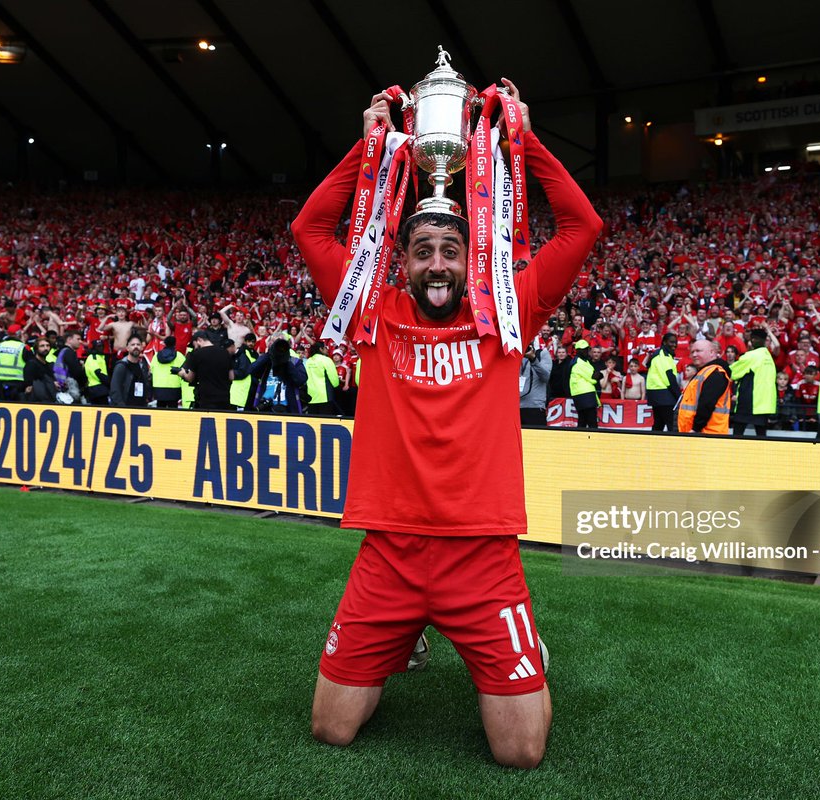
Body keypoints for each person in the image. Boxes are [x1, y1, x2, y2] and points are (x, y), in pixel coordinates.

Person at [290, 80, 601, 768]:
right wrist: (368, 143)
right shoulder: (375, 309)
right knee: (330, 730)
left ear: (470, 260)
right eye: (422, 250)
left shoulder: (508, 309)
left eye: (450, 250)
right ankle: (409, 636)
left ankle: (521, 647)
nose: (437, 263)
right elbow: (309, 229)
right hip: (390, 554)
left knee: (520, 754)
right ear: (400, 262)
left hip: (481, 557)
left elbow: (584, 227)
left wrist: (523, 137)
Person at [677, 340, 732, 434]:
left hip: (707, 434)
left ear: (712, 352)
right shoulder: (705, 372)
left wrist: (695, 428)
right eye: (692, 352)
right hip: (699, 433)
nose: (694, 355)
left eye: (698, 351)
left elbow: (707, 403)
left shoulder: (715, 373)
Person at [729, 328, 776, 437]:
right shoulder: (768, 356)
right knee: (761, 437)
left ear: (753, 340)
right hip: (765, 403)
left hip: (750, 401)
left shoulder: (750, 356)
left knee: (738, 434)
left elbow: (732, 373)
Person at [245, 337, 308, 414]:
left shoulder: (294, 362)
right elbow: (251, 370)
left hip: (288, 407)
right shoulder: (267, 361)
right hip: (265, 406)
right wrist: (269, 355)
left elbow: (301, 380)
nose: (279, 349)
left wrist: (286, 361)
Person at [180, 330, 233, 410]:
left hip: (206, 398)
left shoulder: (197, 354)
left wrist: (182, 373)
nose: (195, 347)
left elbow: (190, 378)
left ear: (199, 340)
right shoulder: (225, 353)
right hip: (224, 397)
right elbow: (231, 376)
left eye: (195, 344)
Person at [645, 333, 679, 432]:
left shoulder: (660, 354)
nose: (674, 345)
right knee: (672, 426)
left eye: (675, 342)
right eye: (671, 342)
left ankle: (653, 445)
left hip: (656, 393)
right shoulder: (663, 355)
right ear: (664, 342)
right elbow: (668, 377)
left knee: (658, 425)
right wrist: (678, 395)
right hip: (663, 394)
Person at [110, 334, 152, 407]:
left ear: (142, 347)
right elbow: (115, 390)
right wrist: (122, 407)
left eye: (138, 344)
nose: (136, 347)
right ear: (127, 348)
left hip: (141, 409)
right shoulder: (121, 366)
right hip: (126, 409)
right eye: (132, 345)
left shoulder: (143, 366)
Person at [519, 339, 552, 426]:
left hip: (535, 407)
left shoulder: (542, 354)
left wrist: (533, 359)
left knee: (536, 439)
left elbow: (546, 377)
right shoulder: (516, 356)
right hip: (515, 408)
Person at [569, 340, 601, 429]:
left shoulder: (581, 361)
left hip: (580, 394)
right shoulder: (579, 363)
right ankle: (594, 440)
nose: (586, 351)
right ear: (578, 351)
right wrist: (600, 374)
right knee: (591, 422)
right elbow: (593, 377)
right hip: (585, 394)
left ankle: (580, 440)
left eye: (586, 349)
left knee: (582, 420)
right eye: (584, 349)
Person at [0, 326, 30, 401]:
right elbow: (31, 365)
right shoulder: (23, 347)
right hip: (19, 384)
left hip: (2, 383)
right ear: (18, 333)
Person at [304, 340, 342, 415]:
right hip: (325, 397)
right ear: (320, 349)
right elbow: (335, 381)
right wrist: (337, 387)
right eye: (325, 347)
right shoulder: (326, 360)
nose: (327, 349)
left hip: (311, 397)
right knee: (325, 423)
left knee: (314, 422)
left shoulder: (308, 361)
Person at [150, 335, 186, 409]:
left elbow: (151, 370)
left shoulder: (156, 356)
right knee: (173, 412)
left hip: (158, 388)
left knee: (160, 411)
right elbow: (185, 372)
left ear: (164, 344)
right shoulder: (180, 356)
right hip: (174, 388)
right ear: (175, 344)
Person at [23, 338, 60, 403]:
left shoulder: (49, 365)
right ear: (36, 349)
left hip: (49, 399)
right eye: (42, 346)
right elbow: (28, 385)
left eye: (47, 345)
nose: (45, 348)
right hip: (35, 400)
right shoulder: (32, 364)